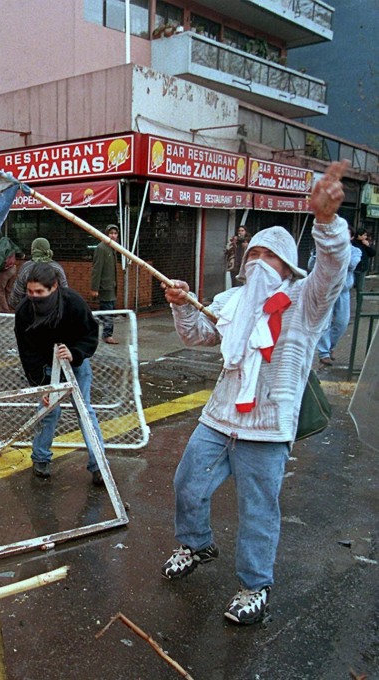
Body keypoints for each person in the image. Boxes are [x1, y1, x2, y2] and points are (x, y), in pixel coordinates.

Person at [158, 161, 351, 626]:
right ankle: (197, 544)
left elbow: (332, 267)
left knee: (259, 509)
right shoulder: (231, 302)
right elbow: (198, 335)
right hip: (219, 417)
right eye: (254, 256)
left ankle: (254, 586)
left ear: (287, 268)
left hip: (267, 427)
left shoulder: (306, 301)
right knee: (188, 483)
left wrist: (326, 222)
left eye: (271, 258)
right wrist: (181, 305)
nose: (260, 263)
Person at [14, 262, 106, 486]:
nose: (34, 297)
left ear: (53, 287)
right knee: (48, 412)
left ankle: (99, 466)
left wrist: (75, 353)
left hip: (75, 365)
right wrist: (42, 386)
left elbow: (90, 334)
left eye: (40, 292)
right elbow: (28, 354)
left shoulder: (73, 303)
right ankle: (41, 458)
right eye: (30, 291)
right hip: (45, 367)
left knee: (85, 412)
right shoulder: (25, 312)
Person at [311, 224, 361, 366]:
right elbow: (312, 265)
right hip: (326, 290)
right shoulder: (326, 248)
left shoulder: (355, 251)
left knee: (342, 322)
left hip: (343, 291)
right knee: (324, 322)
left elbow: (351, 264)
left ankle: (330, 346)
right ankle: (324, 353)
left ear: (351, 237)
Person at [9, 237, 69, 310]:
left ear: (33, 250)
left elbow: (16, 297)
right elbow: (65, 294)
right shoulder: (57, 268)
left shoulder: (26, 268)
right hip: (54, 313)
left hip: (30, 313)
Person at [89, 224, 119, 344]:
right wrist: (94, 288)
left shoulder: (112, 248)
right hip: (105, 287)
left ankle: (96, 331)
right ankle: (107, 334)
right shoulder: (101, 248)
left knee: (105, 311)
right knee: (107, 311)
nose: (113, 236)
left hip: (111, 286)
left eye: (115, 233)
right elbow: (97, 269)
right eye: (111, 233)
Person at [0, 234, 24, 313]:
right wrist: (21, 254)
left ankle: (5, 310)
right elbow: (16, 249)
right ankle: (12, 308)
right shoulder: (6, 239)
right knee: (9, 290)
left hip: (5, 271)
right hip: (13, 268)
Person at [351, 228, 374, 293]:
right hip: (353, 268)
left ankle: (359, 302)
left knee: (360, 289)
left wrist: (367, 246)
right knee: (349, 286)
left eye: (366, 235)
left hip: (362, 269)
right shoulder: (353, 243)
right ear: (359, 235)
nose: (365, 237)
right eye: (364, 235)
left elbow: (372, 254)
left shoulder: (365, 243)